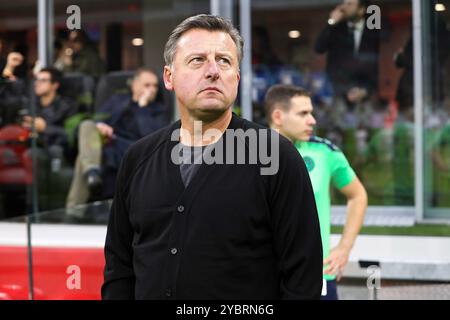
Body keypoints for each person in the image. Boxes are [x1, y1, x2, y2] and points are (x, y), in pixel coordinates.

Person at [102, 14, 323, 300]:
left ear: (237, 78)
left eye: (224, 61)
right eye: (197, 60)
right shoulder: (139, 158)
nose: (213, 71)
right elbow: (119, 267)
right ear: (169, 77)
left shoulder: (276, 157)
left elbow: (302, 277)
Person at [265, 84, 368, 300]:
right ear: (277, 116)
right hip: (264, 278)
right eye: (303, 113)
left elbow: (357, 195)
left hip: (317, 277)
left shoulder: (325, 152)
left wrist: (344, 248)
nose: (312, 120)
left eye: (311, 113)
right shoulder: (247, 154)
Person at [66, 68, 169, 210]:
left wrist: (142, 108)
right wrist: (101, 125)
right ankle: (92, 172)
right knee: (87, 124)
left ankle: (77, 204)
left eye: (155, 86)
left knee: (82, 160)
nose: (152, 89)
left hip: (132, 149)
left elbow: (150, 136)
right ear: (134, 85)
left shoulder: (158, 110)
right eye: (147, 85)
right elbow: (98, 118)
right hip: (107, 142)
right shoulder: (118, 101)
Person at [315, 0, 380, 104]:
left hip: (362, 94)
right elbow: (318, 48)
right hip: (337, 92)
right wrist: (331, 22)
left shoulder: (372, 31)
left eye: (350, 4)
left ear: (361, 10)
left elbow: (374, 65)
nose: (345, 7)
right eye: (344, 3)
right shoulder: (335, 28)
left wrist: (365, 90)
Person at [23, 67, 77, 156]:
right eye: (36, 80)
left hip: (59, 152)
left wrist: (45, 128)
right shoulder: (31, 104)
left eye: (43, 80)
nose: (37, 83)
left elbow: (72, 134)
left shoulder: (67, 106)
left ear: (55, 85)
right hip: (34, 146)